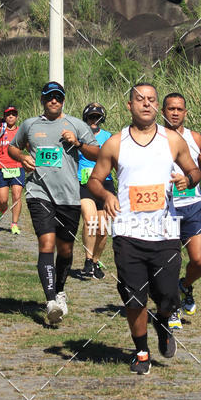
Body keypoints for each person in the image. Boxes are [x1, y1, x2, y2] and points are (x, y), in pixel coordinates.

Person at [88, 83, 201, 375]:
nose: (147, 104)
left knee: (167, 296)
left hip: (165, 232)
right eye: (140, 99)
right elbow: (94, 180)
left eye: (151, 99)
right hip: (128, 231)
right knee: (134, 296)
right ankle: (141, 352)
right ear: (130, 106)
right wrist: (107, 196)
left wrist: (189, 179)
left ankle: (162, 322)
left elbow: (194, 170)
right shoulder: (115, 143)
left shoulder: (172, 140)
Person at [8, 82, 99, 325]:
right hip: (39, 192)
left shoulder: (76, 125)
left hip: (68, 196)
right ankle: (50, 302)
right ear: (43, 100)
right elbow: (12, 148)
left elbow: (97, 153)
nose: (54, 101)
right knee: (46, 243)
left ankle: (59, 290)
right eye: (49, 97)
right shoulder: (30, 125)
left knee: (65, 249)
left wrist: (78, 143)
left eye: (58, 97)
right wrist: (23, 157)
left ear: (63, 100)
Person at [162, 93, 201, 328]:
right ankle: (172, 309)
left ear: (185, 112)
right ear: (163, 111)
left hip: (193, 205)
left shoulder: (195, 138)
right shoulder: (155, 138)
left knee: (200, 261)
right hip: (166, 208)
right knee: (170, 263)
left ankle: (184, 286)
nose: (175, 113)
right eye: (170, 108)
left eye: (179, 109)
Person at [77, 102, 116, 280]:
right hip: (84, 182)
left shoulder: (109, 138)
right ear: (85, 118)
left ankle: (95, 261)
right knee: (90, 220)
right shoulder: (79, 137)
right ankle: (87, 259)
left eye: (97, 117)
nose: (94, 120)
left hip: (104, 184)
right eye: (91, 117)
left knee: (102, 228)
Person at [0, 106, 24, 235]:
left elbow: (29, 146)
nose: (11, 116)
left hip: (17, 167)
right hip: (1, 168)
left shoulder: (21, 131)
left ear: (17, 117)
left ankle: (14, 224)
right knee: (3, 200)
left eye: (13, 114)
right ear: (5, 117)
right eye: (8, 114)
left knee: (17, 196)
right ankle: (3, 209)